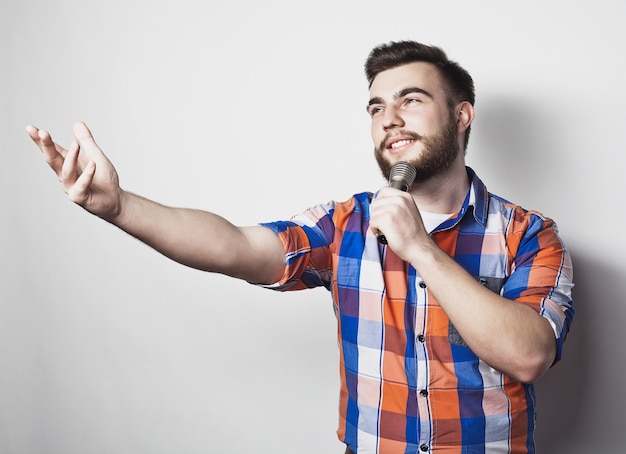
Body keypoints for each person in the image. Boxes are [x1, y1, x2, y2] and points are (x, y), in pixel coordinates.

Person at [26, 41, 574, 453]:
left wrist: (421, 250)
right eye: (376, 107)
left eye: (411, 99)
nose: (389, 118)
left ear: (462, 115)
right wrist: (122, 207)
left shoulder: (529, 234)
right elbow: (236, 246)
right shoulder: (343, 225)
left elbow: (529, 356)